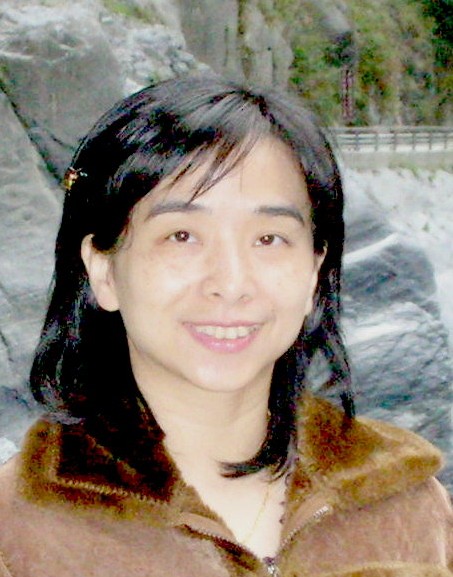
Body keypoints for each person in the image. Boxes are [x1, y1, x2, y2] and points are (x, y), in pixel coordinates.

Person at [0, 73, 451, 577]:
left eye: (269, 239)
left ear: (313, 272)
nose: (231, 283)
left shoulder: (408, 506)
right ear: (103, 270)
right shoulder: (20, 533)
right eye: (182, 235)